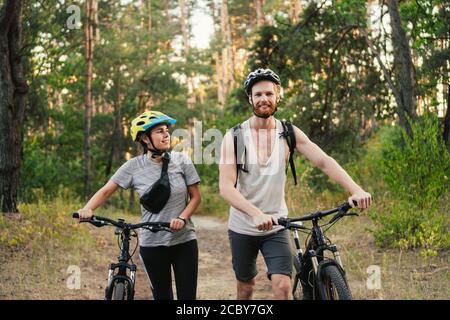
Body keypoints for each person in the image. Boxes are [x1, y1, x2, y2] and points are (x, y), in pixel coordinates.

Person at [219, 68, 372, 300]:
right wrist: (256, 214)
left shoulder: (288, 132)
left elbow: (323, 161)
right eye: (258, 94)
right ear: (250, 98)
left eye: (269, 94)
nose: (264, 99)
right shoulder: (234, 137)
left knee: (282, 287)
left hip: (278, 226)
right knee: (246, 288)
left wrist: (356, 189)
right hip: (242, 226)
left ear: (277, 97)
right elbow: (226, 188)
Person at [77, 110, 201, 300]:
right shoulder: (133, 167)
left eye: (167, 130)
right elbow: (106, 191)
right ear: (144, 138)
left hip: (184, 241)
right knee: (162, 297)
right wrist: (88, 208)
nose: (166, 134)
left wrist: (182, 218)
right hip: (153, 244)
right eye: (160, 131)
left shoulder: (181, 161)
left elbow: (195, 198)